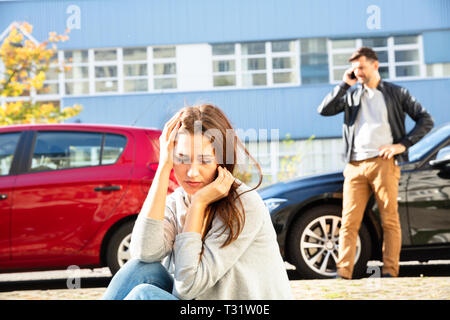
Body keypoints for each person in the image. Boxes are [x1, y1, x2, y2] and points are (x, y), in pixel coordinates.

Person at [102, 104, 293, 300]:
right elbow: (144, 252)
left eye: (204, 160)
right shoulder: (178, 201)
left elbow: (187, 289)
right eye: (182, 159)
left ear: (221, 160)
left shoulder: (243, 204)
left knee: (144, 295)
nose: (192, 172)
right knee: (139, 268)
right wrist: (163, 169)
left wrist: (198, 206)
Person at [317, 47, 434, 279]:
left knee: (389, 219)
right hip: (354, 165)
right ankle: (344, 273)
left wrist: (402, 145)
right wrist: (344, 85)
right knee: (349, 221)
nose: (357, 72)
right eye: (354, 68)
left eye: (361, 67)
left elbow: (425, 120)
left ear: (375, 65)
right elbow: (324, 110)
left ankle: (390, 271)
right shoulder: (351, 94)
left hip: (383, 163)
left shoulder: (396, 93)